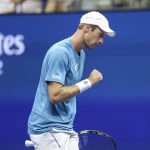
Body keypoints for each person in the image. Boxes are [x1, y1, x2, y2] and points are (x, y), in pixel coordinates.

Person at [27, 11, 115, 150]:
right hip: (49, 129)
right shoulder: (60, 52)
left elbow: (67, 91)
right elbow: (55, 95)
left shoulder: (81, 55)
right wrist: (89, 82)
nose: (101, 41)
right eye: (100, 34)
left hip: (65, 128)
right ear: (87, 28)